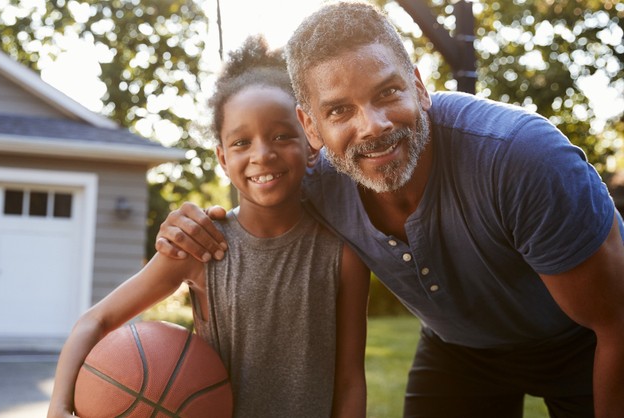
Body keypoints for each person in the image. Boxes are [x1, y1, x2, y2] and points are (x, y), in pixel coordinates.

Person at [155, 2, 624, 417]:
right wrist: (190, 225)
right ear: (310, 127)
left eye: (387, 93)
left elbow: (616, 323)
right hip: (461, 350)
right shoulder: (312, 182)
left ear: (419, 87)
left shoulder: (521, 159)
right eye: (339, 111)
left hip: (583, 341)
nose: (372, 126)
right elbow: (251, 207)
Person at [47, 35, 370, 418]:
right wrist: (59, 408)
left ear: (311, 140)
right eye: (241, 143)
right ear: (221, 157)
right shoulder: (202, 246)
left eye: (282, 136)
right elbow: (94, 321)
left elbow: (350, 379)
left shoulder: (343, 253)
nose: (262, 154)